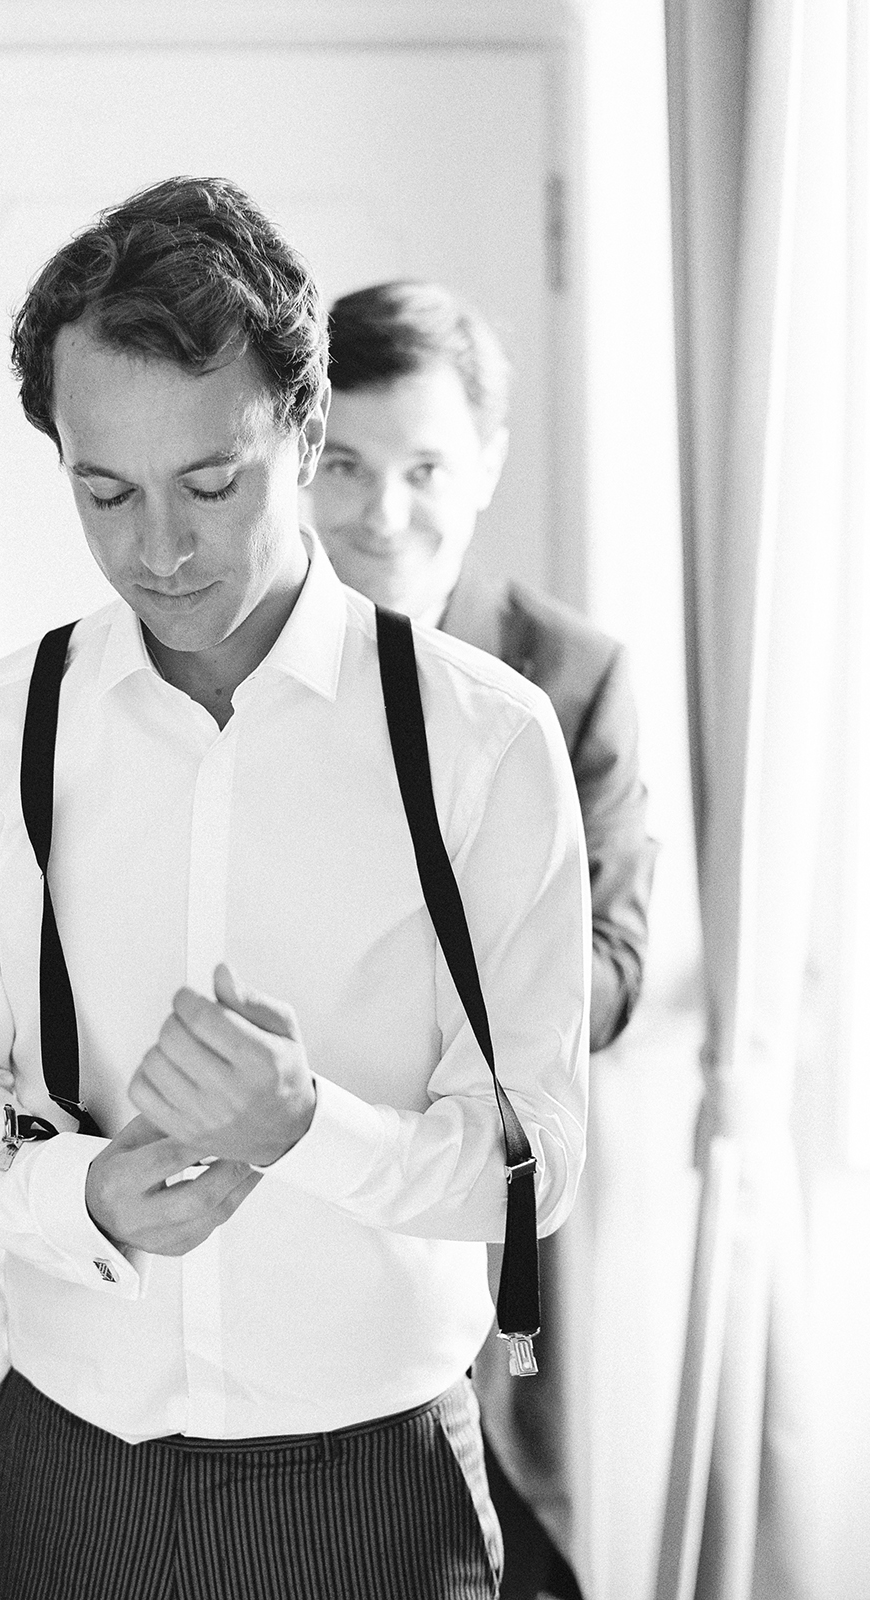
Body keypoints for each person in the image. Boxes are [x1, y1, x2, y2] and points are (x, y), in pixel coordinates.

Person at [0, 182, 591, 1600]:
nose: (161, 551)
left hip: (371, 1491)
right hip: (72, 1476)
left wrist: (307, 1128)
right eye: (105, 493)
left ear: (306, 439)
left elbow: (541, 1161)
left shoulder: (485, 740)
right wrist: (84, 1194)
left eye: (212, 484)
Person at [309, 279, 658, 1600]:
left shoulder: (572, 676)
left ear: (488, 469)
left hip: (500, 1207)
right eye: (341, 464)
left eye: (424, 468)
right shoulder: (228, 666)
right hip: (292, 1203)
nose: (379, 514)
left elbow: (615, 970)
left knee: (512, 1551)